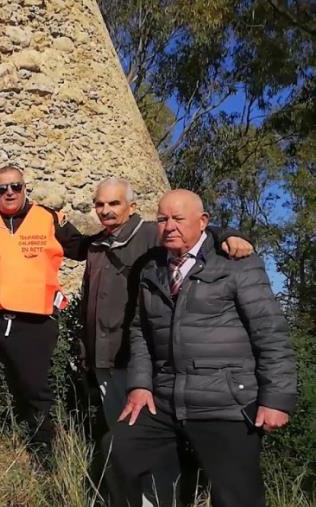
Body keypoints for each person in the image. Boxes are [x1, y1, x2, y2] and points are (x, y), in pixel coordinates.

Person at [113, 189, 296, 507]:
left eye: (178, 218)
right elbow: (140, 331)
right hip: (166, 401)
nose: (169, 226)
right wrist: (140, 385)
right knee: (116, 451)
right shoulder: (152, 270)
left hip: (226, 404)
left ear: (203, 222)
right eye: (162, 219)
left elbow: (270, 332)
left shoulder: (236, 264)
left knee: (237, 497)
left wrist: (277, 399)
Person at [81, 178, 252, 503]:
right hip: (103, 361)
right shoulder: (97, 244)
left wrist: (226, 235)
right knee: (122, 445)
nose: (105, 210)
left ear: (132, 207)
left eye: (114, 203)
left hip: (136, 364)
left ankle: (161, 500)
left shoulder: (150, 233)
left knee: (147, 445)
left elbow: (193, 235)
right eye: (99, 204)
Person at [0, 165, 89, 456]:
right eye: (2, 189)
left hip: (34, 320)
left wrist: (110, 232)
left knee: (35, 387)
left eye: (15, 187)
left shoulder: (48, 218)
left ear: (25, 189)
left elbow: (81, 249)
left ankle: (43, 452)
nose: (9, 193)